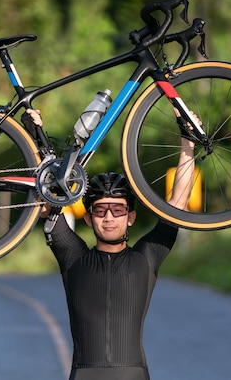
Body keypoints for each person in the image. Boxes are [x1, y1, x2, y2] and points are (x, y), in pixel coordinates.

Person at [28, 108, 198, 380]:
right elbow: (46, 194)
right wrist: (33, 133)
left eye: (118, 210)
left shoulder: (147, 256)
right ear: (88, 218)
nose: (109, 217)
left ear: (131, 217)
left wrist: (187, 142)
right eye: (100, 210)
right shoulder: (73, 257)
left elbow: (177, 203)